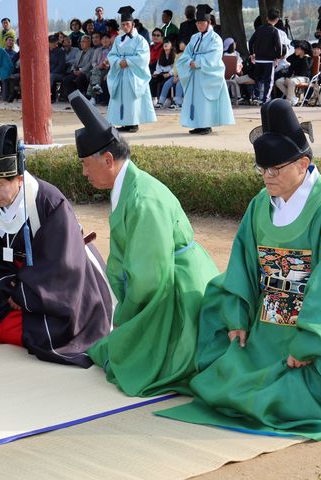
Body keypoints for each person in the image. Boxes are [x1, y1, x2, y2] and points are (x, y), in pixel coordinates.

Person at [156, 99, 321, 441]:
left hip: (310, 335)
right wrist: (238, 316)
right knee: (219, 384)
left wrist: (309, 344)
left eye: (275, 169)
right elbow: (242, 263)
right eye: (262, 169)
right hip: (264, 327)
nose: (267, 176)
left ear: (303, 164)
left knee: (289, 400)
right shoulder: (260, 205)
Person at [69, 91, 218, 396]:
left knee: (139, 362)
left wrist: (127, 315)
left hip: (177, 288)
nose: (83, 172)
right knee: (113, 351)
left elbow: (149, 274)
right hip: (160, 280)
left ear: (108, 159)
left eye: (86, 164)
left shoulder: (143, 198)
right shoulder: (128, 187)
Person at [0, 123, 113, 368]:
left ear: (18, 178)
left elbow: (62, 261)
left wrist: (25, 292)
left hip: (61, 283)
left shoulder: (49, 202)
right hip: (15, 284)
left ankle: (30, 316)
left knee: (50, 336)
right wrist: (8, 287)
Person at [176, 4, 234, 135]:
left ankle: (206, 125)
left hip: (208, 74)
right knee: (196, 100)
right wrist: (189, 61)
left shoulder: (215, 39)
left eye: (202, 22)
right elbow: (187, 53)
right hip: (196, 74)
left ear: (208, 23)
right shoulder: (194, 37)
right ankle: (197, 124)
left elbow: (214, 57)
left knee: (205, 100)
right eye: (198, 23)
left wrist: (197, 62)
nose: (199, 25)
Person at [106, 6, 156, 133]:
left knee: (132, 99)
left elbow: (143, 57)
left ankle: (133, 123)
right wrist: (118, 62)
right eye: (123, 24)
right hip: (121, 73)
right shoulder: (118, 39)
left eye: (127, 24)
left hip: (133, 74)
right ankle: (124, 122)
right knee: (122, 98)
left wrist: (127, 61)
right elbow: (112, 54)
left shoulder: (141, 40)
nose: (125, 26)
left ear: (133, 24)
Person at [248, 9, 283, 105]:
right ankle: (265, 99)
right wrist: (277, 57)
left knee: (258, 79)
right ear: (277, 20)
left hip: (258, 59)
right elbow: (279, 47)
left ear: (267, 18)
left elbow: (251, 42)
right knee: (268, 81)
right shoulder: (274, 31)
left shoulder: (259, 29)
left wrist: (252, 54)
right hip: (269, 60)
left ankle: (256, 97)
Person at [274, 41, 312, 106]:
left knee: (291, 81)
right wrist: (287, 77)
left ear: (302, 50)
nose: (295, 50)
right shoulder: (295, 57)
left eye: (297, 49)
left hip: (304, 78)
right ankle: (293, 98)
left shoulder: (308, 59)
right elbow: (288, 60)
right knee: (278, 81)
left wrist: (304, 57)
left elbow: (306, 69)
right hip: (294, 77)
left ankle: (288, 100)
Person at [152, 40, 175, 106]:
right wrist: (156, 73)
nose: (165, 44)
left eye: (168, 43)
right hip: (162, 73)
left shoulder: (174, 55)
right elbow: (158, 68)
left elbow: (175, 68)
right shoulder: (161, 56)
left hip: (171, 74)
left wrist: (169, 74)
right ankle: (154, 98)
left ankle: (167, 99)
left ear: (171, 46)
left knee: (167, 82)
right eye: (164, 43)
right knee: (153, 79)